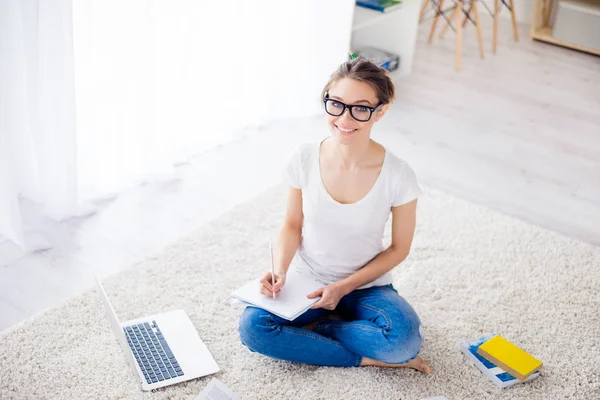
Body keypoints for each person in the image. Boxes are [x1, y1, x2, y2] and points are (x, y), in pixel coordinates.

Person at [238, 58, 431, 373]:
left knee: (402, 342)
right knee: (253, 328)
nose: (345, 118)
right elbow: (291, 225)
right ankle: (364, 358)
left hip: (366, 285)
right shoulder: (303, 157)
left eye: (360, 108)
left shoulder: (399, 175)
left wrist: (344, 287)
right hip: (308, 278)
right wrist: (280, 271)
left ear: (380, 111)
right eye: (337, 104)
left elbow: (399, 248)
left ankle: (324, 329)